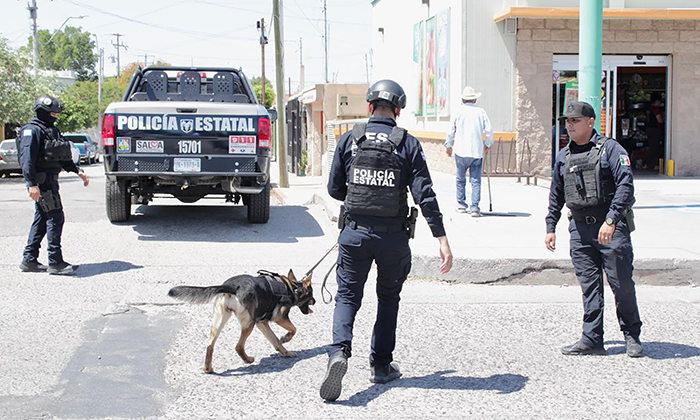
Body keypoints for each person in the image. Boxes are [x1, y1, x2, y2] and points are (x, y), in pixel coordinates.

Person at [321, 80, 453, 401]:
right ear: (398, 111)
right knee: (388, 298)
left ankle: (339, 352)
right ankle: (381, 366)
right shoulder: (406, 143)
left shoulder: (351, 139)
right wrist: (441, 237)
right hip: (393, 237)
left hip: (354, 233)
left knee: (348, 296)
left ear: (369, 108)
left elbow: (335, 189)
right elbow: (424, 194)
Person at [545, 101, 643, 358]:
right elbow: (556, 194)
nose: (570, 125)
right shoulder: (563, 156)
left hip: (610, 228)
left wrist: (611, 220)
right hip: (579, 228)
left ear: (590, 121)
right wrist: (550, 226)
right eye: (567, 121)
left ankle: (632, 334)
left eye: (575, 120)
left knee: (621, 284)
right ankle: (591, 339)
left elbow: (626, 186)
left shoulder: (611, 149)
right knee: (589, 286)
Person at [17, 95, 89, 275]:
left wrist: (76, 170)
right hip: (42, 183)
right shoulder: (32, 131)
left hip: (49, 180)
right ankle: (55, 262)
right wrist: (31, 184)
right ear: (43, 111)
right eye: (53, 113)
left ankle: (29, 260)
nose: (56, 116)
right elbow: (27, 160)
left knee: (42, 219)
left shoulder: (50, 130)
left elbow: (59, 154)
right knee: (56, 217)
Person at [444, 86, 494, 217]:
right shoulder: (481, 112)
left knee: (460, 178)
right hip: (476, 151)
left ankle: (461, 204)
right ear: (475, 100)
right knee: (476, 180)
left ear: (462, 99)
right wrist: (488, 144)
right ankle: (475, 207)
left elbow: (451, 131)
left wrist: (448, 145)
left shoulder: (458, 112)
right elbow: (489, 131)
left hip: (461, 150)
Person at [642, 92, 665, 170]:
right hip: (655, 130)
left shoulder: (649, 109)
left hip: (649, 129)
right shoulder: (656, 109)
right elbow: (660, 120)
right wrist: (665, 116)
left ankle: (656, 165)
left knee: (656, 147)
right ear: (657, 101)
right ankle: (642, 160)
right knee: (654, 148)